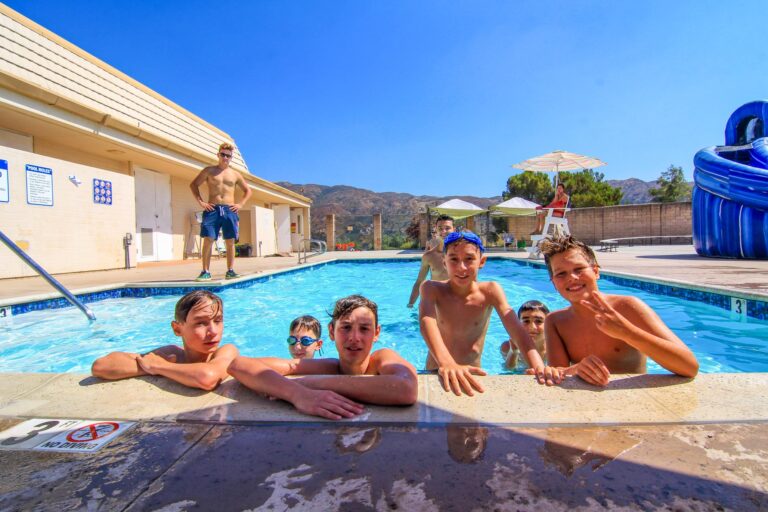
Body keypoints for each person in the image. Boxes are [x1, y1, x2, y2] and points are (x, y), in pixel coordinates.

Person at [539, 235, 699, 387]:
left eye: (579, 269)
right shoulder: (555, 322)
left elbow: (689, 366)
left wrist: (626, 332)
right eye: (561, 273)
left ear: (595, 271)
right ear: (553, 283)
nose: (572, 277)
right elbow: (556, 374)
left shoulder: (628, 307)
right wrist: (576, 369)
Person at [228, 295, 418, 420]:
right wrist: (298, 394)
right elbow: (239, 364)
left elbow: (407, 388)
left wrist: (313, 383)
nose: (354, 338)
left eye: (364, 329)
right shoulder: (327, 367)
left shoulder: (381, 358)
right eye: (345, 328)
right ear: (331, 332)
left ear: (376, 333)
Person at [419, 231, 562, 396]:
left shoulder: (490, 291)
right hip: (437, 370)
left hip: (473, 373)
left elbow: (516, 330)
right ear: (444, 262)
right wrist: (447, 363)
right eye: (453, 259)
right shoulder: (432, 288)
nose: (462, 267)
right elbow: (426, 322)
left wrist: (538, 366)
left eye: (469, 259)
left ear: (482, 261)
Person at [91, 290, 238, 390]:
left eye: (218, 321)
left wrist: (159, 367)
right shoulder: (171, 354)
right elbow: (100, 366)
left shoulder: (226, 352)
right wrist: (152, 365)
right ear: (177, 329)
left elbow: (207, 377)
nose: (213, 331)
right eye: (201, 323)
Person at [190, 142, 253, 281]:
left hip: (229, 209)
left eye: (228, 156)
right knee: (208, 239)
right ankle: (205, 271)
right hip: (212, 209)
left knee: (230, 241)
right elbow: (194, 184)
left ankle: (230, 270)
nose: (225, 158)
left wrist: (240, 204)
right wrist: (201, 202)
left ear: (231, 158)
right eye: (223, 154)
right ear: (218, 155)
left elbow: (248, 191)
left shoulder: (235, 174)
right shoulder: (209, 171)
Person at [407, 214, 455, 308]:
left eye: (447, 228)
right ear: (436, 230)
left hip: (456, 302)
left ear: (454, 229)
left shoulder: (461, 254)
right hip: (437, 303)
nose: (443, 231)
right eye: (440, 228)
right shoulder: (429, 256)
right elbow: (419, 281)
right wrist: (410, 304)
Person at [501, 300, 550, 369]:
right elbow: (508, 370)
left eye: (538, 321)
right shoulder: (507, 347)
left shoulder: (555, 348)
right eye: (526, 321)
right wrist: (513, 352)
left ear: (548, 324)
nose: (532, 327)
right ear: (518, 324)